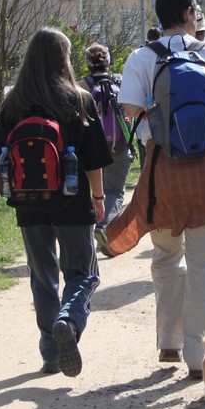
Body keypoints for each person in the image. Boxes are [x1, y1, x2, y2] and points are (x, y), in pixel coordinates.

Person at [109, 0, 205, 381]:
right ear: (191, 14)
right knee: (203, 266)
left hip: (162, 173)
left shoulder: (142, 57)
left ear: (159, 18)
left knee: (166, 257)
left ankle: (169, 342)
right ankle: (198, 356)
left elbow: (129, 108)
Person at [0, 27, 112, 377]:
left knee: (42, 278)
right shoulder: (79, 100)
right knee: (83, 273)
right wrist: (98, 197)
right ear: (63, 58)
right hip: (73, 203)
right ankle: (69, 320)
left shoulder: (14, 104)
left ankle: (51, 352)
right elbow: (94, 159)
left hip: (28, 205)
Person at [80, 43, 134, 258]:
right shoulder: (120, 83)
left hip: (90, 149)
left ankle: (85, 237)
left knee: (90, 193)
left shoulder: (80, 88)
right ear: (108, 63)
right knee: (115, 191)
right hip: (118, 146)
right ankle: (103, 226)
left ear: (88, 64)